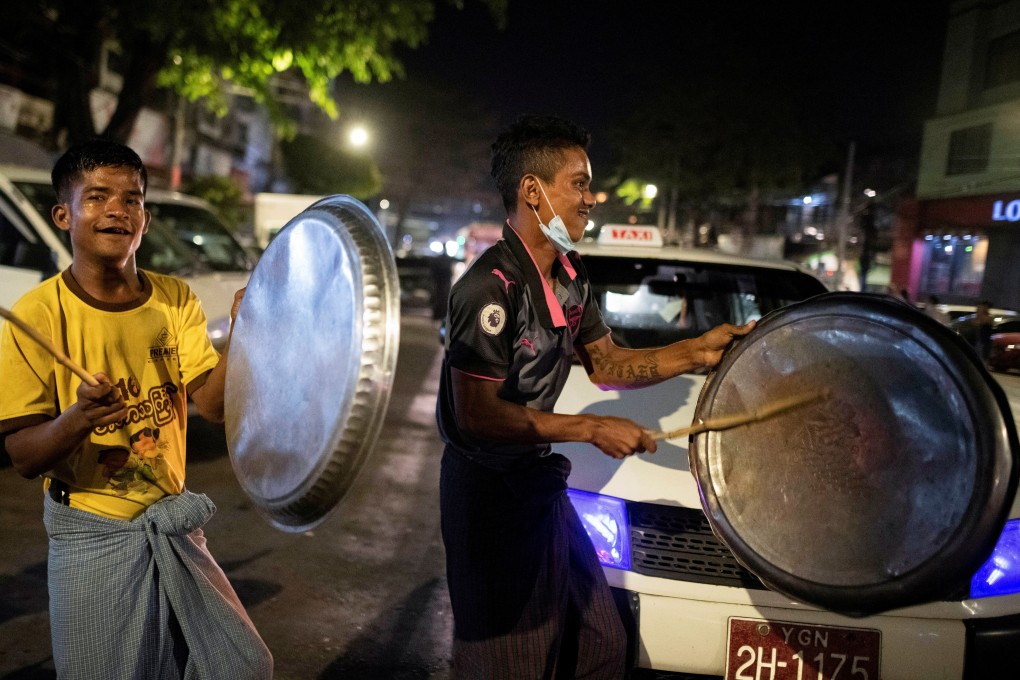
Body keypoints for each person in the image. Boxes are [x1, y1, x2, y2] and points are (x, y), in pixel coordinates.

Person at [435, 115, 754, 678]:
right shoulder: (488, 289)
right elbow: (477, 415)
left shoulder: (570, 276)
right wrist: (588, 428)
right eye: (579, 183)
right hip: (489, 497)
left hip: (534, 484)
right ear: (532, 191)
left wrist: (698, 351)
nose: (591, 199)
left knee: (599, 641)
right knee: (509, 659)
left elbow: (606, 364)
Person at [0, 139, 272, 679]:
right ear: (64, 214)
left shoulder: (175, 299)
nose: (118, 210)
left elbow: (212, 406)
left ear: (145, 217)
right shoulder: (38, 313)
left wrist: (245, 332)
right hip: (92, 531)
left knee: (243, 665)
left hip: (171, 523)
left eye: (133, 199)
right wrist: (78, 418)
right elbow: (25, 457)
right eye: (98, 197)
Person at [975, 299, 994, 363]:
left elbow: (982, 322)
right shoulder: (980, 317)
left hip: (985, 342)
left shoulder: (988, 318)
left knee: (983, 359)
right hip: (980, 341)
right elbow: (976, 323)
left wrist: (979, 313)